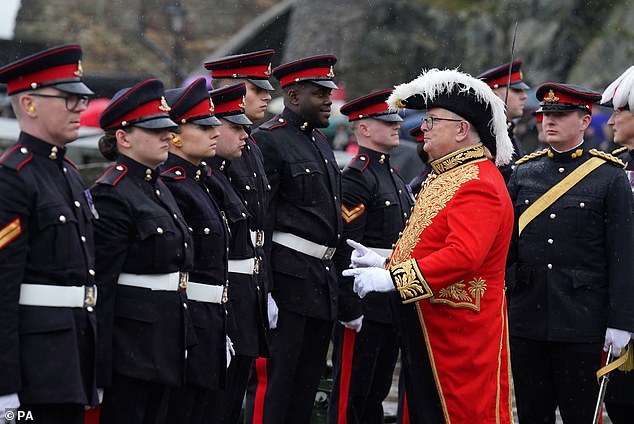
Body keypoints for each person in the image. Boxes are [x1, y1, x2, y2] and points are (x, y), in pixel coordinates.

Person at [343, 68, 515, 423]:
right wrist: (386, 261)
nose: (423, 128)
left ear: (462, 129)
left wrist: (395, 279)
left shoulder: (478, 181)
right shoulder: (449, 174)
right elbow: (430, 245)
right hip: (432, 321)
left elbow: (464, 255)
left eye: (432, 121)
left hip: (458, 332)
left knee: (458, 414)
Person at [506, 82, 634, 423]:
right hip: (527, 317)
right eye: (546, 114)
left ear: (583, 120)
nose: (549, 121)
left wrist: (621, 321)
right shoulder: (523, 172)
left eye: (560, 115)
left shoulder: (609, 177)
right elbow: (508, 248)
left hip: (582, 321)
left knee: (581, 414)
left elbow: (622, 253)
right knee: (532, 413)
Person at [0, 44, 97, 424]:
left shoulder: (69, 174)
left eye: (80, 99)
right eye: (68, 99)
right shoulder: (12, 177)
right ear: (29, 104)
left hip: (72, 356)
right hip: (33, 366)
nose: (79, 108)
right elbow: (3, 288)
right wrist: (4, 385)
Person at [243, 55, 342, 423]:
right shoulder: (268, 142)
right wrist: (264, 287)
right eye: (320, 93)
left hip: (320, 281)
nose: (330, 100)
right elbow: (262, 222)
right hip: (287, 281)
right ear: (294, 96)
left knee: (306, 386)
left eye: (329, 92)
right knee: (276, 385)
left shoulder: (319, 141)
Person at [91, 78, 194, 424]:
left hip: (164, 338)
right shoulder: (112, 193)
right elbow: (101, 288)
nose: (168, 135)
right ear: (123, 137)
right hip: (129, 347)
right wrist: (97, 367)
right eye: (155, 130)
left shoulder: (158, 187)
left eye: (168, 128)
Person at [328, 90, 414, 424]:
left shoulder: (392, 176)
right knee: (351, 396)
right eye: (386, 121)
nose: (396, 126)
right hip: (363, 304)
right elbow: (346, 247)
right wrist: (349, 307)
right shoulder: (357, 177)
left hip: (389, 298)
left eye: (396, 119)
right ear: (363, 128)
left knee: (375, 394)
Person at [159, 77, 230, 423]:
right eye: (204, 126)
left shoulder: (201, 182)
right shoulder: (173, 185)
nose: (215, 132)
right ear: (173, 134)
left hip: (211, 320)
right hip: (188, 321)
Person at [205, 82, 269, 424]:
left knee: (231, 400)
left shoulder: (247, 155)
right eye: (235, 127)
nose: (245, 134)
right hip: (222, 295)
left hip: (248, 288)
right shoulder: (207, 176)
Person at [204, 49, 276, 334]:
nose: (267, 96)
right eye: (256, 89)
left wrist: (266, 287)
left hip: (253, 278)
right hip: (227, 281)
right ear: (230, 88)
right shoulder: (213, 153)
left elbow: (263, 224)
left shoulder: (253, 147)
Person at [601, 66, 634, 424]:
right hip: (619, 308)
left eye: (620, 111)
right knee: (621, 404)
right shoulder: (615, 169)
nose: (611, 122)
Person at [477, 60, 529, 181]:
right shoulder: (482, 138)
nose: (524, 96)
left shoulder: (508, 132)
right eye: (516, 90)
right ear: (495, 95)